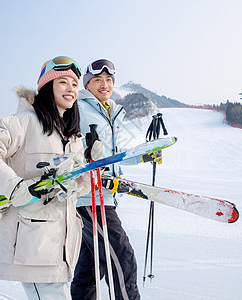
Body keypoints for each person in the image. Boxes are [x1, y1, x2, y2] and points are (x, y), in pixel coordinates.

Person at [0, 56, 94, 300]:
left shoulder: (71, 135)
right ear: (48, 87)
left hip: (61, 247)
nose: (71, 89)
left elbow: (75, 189)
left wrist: (84, 178)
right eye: (63, 82)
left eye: (75, 84)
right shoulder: (21, 123)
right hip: (32, 244)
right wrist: (16, 188)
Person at [71, 59, 162, 300]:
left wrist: (142, 157)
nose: (104, 84)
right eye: (98, 80)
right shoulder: (76, 108)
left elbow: (114, 156)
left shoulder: (112, 111)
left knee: (93, 266)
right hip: (89, 196)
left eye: (109, 80)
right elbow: (67, 148)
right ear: (87, 84)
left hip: (107, 194)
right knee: (122, 258)